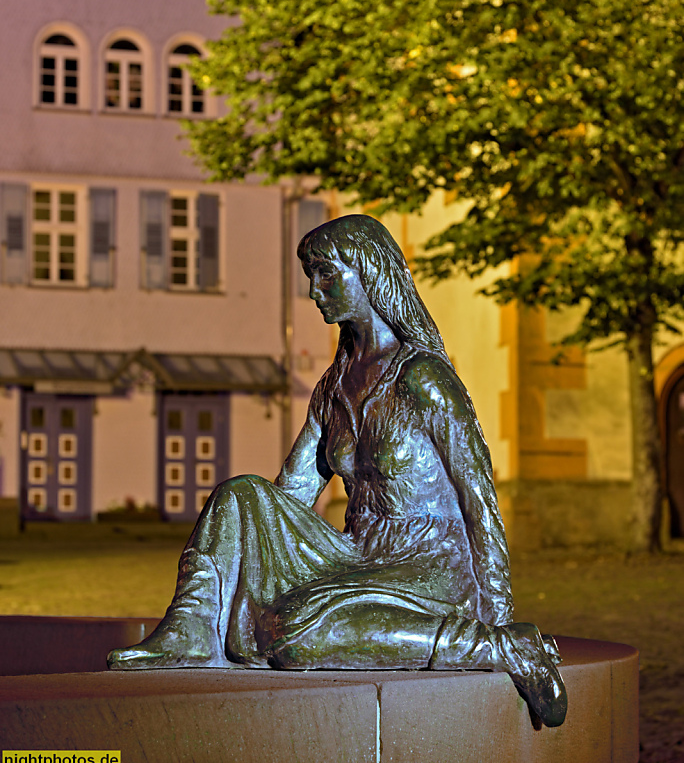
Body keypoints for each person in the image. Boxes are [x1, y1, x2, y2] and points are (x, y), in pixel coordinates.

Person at [108, 215, 567, 728]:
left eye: (325, 273)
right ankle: (189, 631)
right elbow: (292, 493)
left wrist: (497, 608)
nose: (313, 290)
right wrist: (256, 549)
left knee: (295, 636)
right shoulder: (334, 387)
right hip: (358, 556)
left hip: (428, 569)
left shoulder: (424, 378)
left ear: (367, 271)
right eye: (310, 275)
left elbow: (479, 499)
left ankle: (499, 644)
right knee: (239, 495)